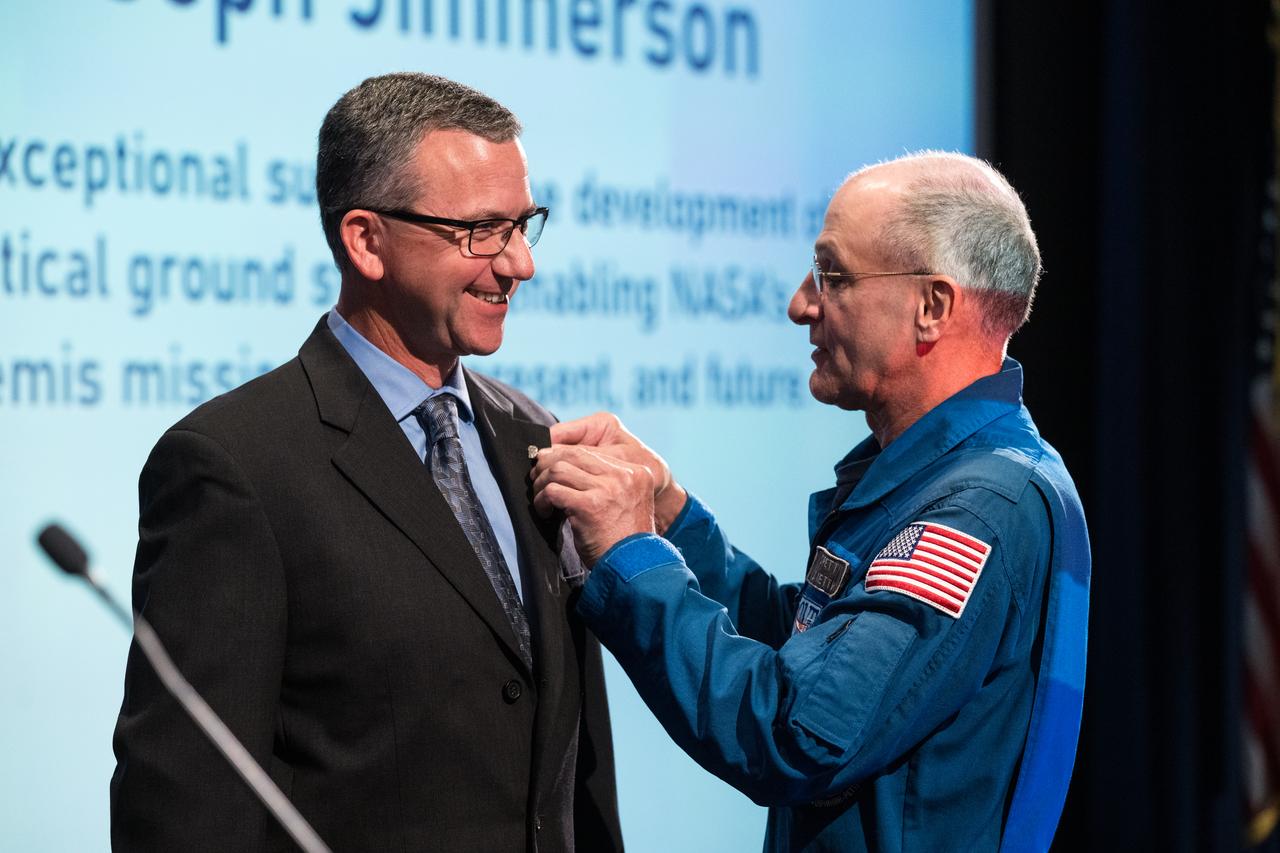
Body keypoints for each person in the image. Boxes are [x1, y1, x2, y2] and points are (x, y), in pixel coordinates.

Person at [111, 73, 623, 853]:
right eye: (482, 229)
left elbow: (572, 764)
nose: (519, 262)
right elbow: (185, 805)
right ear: (365, 240)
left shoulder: (534, 434)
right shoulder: (234, 466)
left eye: (523, 224)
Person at [531, 151, 1090, 852]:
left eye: (833, 275)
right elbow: (812, 646)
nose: (801, 303)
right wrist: (670, 516)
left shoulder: (976, 509)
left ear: (932, 307)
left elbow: (797, 729)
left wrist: (630, 555)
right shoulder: (942, 477)